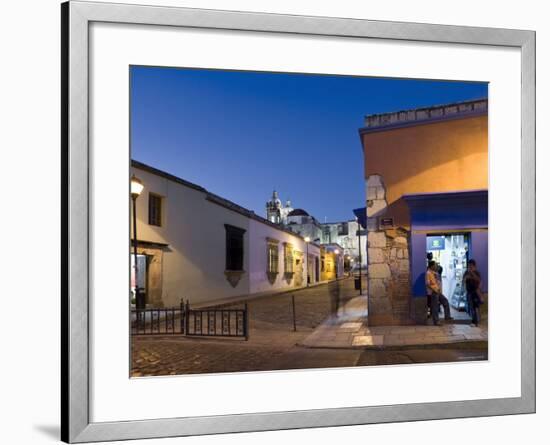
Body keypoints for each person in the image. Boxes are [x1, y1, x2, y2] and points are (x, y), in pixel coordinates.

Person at [425, 260, 452, 325]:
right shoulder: (428, 273)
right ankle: (436, 321)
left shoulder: (434, 273)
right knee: (435, 307)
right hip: (433, 292)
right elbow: (427, 284)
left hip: (438, 291)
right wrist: (434, 289)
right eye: (435, 265)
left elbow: (437, 281)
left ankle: (447, 316)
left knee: (445, 301)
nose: (436, 266)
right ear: (431, 266)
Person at [463, 259, 483, 326]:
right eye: (469, 265)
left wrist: (472, 273)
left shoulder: (476, 272)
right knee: (471, 307)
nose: (469, 266)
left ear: (474, 265)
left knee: (476, 307)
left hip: (475, 292)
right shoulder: (466, 272)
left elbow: (478, 280)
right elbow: (464, 280)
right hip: (469, 292)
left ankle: (476, 322)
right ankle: (474, 321)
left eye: (471, 265)